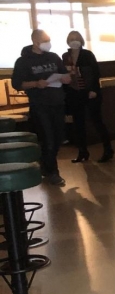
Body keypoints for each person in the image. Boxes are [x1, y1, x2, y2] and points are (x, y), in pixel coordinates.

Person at [12, 30, 71, 186]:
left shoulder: (53, 57)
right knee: (48, 139)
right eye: (45, 40)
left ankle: (45, 165)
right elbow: (17, 84)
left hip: (58, 102)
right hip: (40, 105)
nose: (48, 43)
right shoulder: (23, 61)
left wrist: (65, 78)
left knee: (58, 138)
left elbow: (64, 74)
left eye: (48, 40)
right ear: (35, 42)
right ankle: (53, 172)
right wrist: (36, 84)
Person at [62, 31, 114, 163]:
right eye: (71, 39)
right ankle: (82, 152)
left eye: (76, 38)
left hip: (90, 93)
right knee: (78, 123)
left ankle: (108, 150)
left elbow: (95, 73)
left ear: (81, 40)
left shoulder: (87, 55)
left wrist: (93, 90)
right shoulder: (65, 56)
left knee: (97, 121)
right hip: (74, 93)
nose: (74, 41)